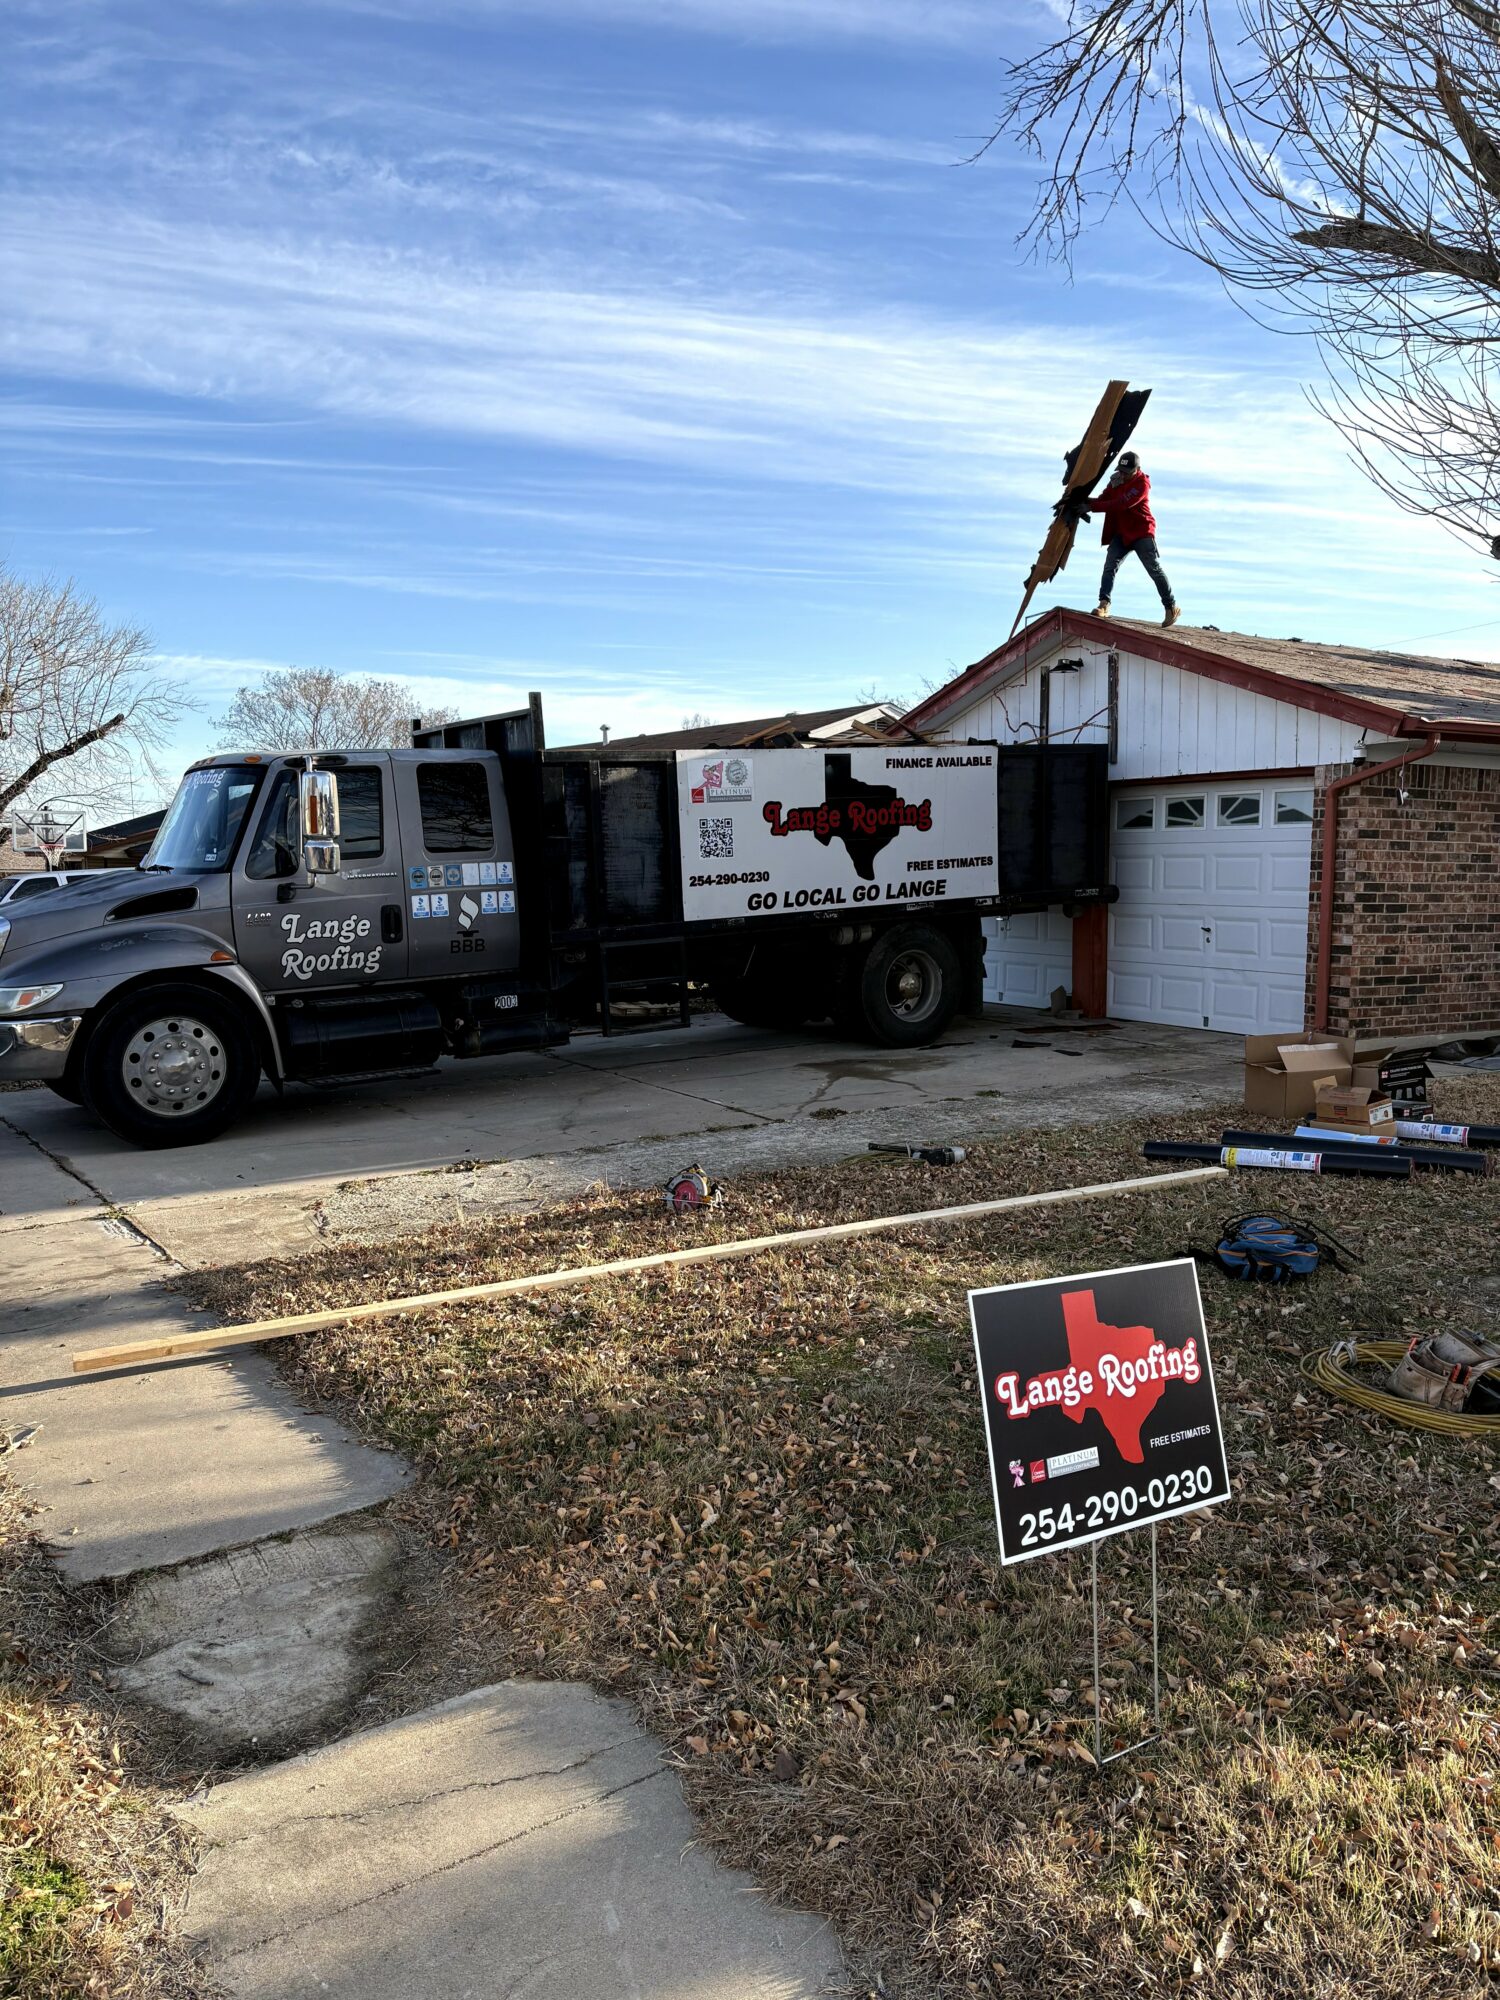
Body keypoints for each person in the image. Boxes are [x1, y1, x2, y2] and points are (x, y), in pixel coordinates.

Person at [1077, 452, 1179, 627]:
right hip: (1121, 533)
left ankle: (1171, 607)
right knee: (1110, 566)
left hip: (1141, 532)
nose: (1123, 475)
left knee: (1153, 569)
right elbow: (1103, 500)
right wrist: (1083, 501)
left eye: (1126, 472)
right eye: (1121, 471)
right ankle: (1104, 604)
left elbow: (1121, 504)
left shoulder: (1142, 484)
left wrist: (1091, 507)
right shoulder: (1116, 480)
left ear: (1137, 469)